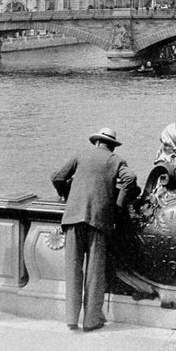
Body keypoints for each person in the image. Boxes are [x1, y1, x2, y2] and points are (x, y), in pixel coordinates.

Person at [51, 127, 138, 331]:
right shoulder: (116, 161)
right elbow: (130, 179)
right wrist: (118, 205)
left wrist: (68, 194)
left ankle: (71, 319)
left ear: (97, 142)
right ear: (112, 145)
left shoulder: (80, 155)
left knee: (73, 270)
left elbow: (57, 177)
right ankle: (91, 321)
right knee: (94, 272)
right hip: (99, 220)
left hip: (73, 218)